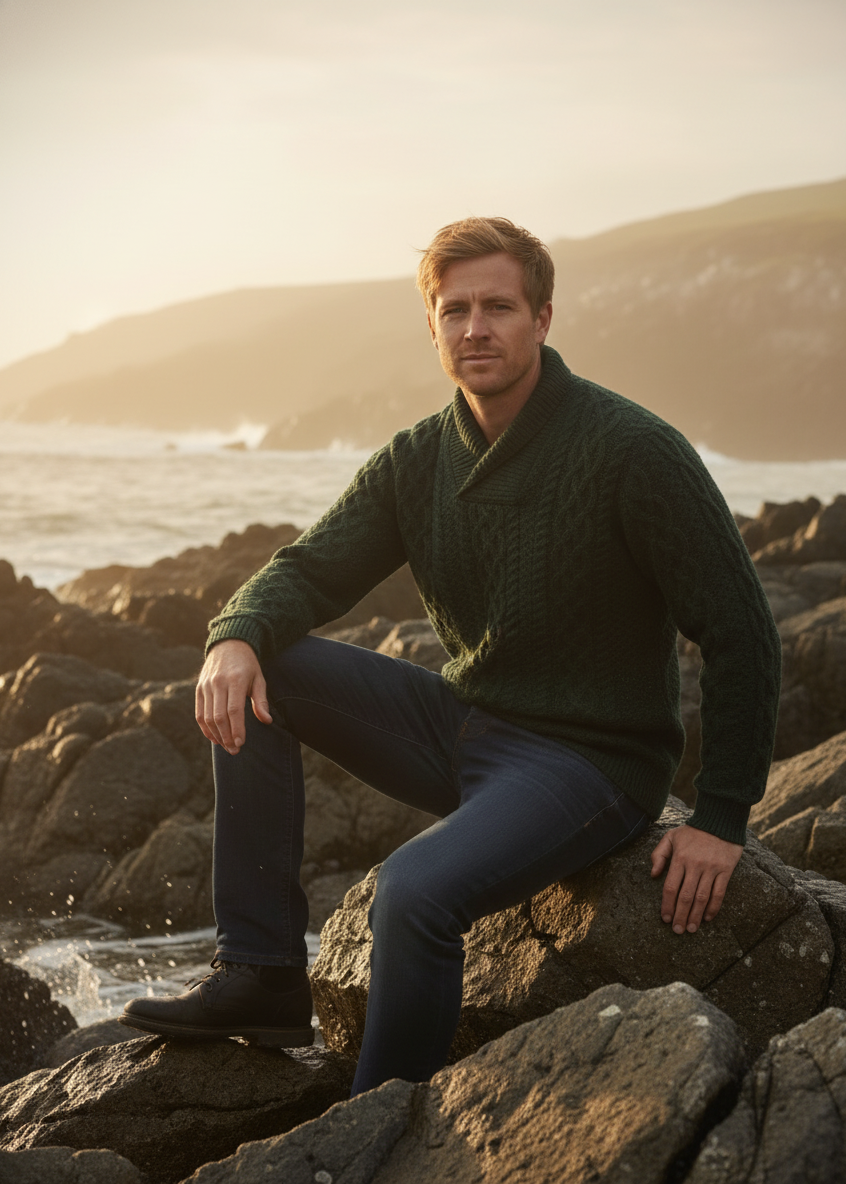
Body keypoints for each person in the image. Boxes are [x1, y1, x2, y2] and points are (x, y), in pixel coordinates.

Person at [120, 217, 781, 1095]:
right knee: (263, 671)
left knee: (414, 891)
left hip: (591, 762)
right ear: (431, 327)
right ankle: (262, 973)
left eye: (498, 307)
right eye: (455, 309)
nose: (476, 328)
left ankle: (377, 1127)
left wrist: (720, 818)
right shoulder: (419, 458)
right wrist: (235, 634)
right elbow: (309, 568)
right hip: (465, 724)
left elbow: (741, 631)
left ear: (542, 318)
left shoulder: (633, 451)